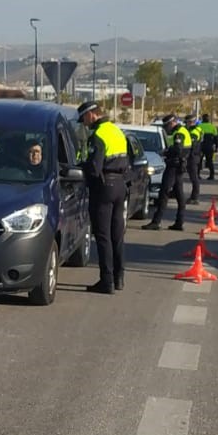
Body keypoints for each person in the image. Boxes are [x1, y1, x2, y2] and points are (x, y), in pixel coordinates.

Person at [77, 101, 131, 293]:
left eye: (84, 118)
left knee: (103, 236)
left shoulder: (98, 135)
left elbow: (94, 168)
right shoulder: (117, 131)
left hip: (104, 187)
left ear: (91, 114)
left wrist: (81, 167)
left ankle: (106, 281)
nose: (84, 123)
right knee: (117, 235)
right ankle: (119, 278)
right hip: (120, 185)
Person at [143, 114, 190, 232]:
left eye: (167, 125)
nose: (166, 128)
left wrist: (166, 152)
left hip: (174, 166)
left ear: (173, 123)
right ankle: (179, 222)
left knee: (163, 193)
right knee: (179, 195)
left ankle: (156, 222)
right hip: (179, 166)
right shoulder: (182, 131)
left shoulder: (179, 133)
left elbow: (178, 150)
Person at [185, 113, 204, 203]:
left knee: (194, 178)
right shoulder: (195, 130)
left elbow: (192, 145)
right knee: (193, 177)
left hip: (193, 156)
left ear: (191, 122)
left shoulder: (194, 132)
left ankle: (195, 197)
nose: (186, 124)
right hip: (194, 156)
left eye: (187, 122)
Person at [198, 113, 218, 180]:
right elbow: (216, 138)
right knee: (210, 161)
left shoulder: (199, 126)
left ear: (202, 119)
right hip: (209, 146)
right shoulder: (212, 127)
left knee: (199, 161)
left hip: (201, 146)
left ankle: (197, 175)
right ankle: (212, 175)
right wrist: (216, 147)